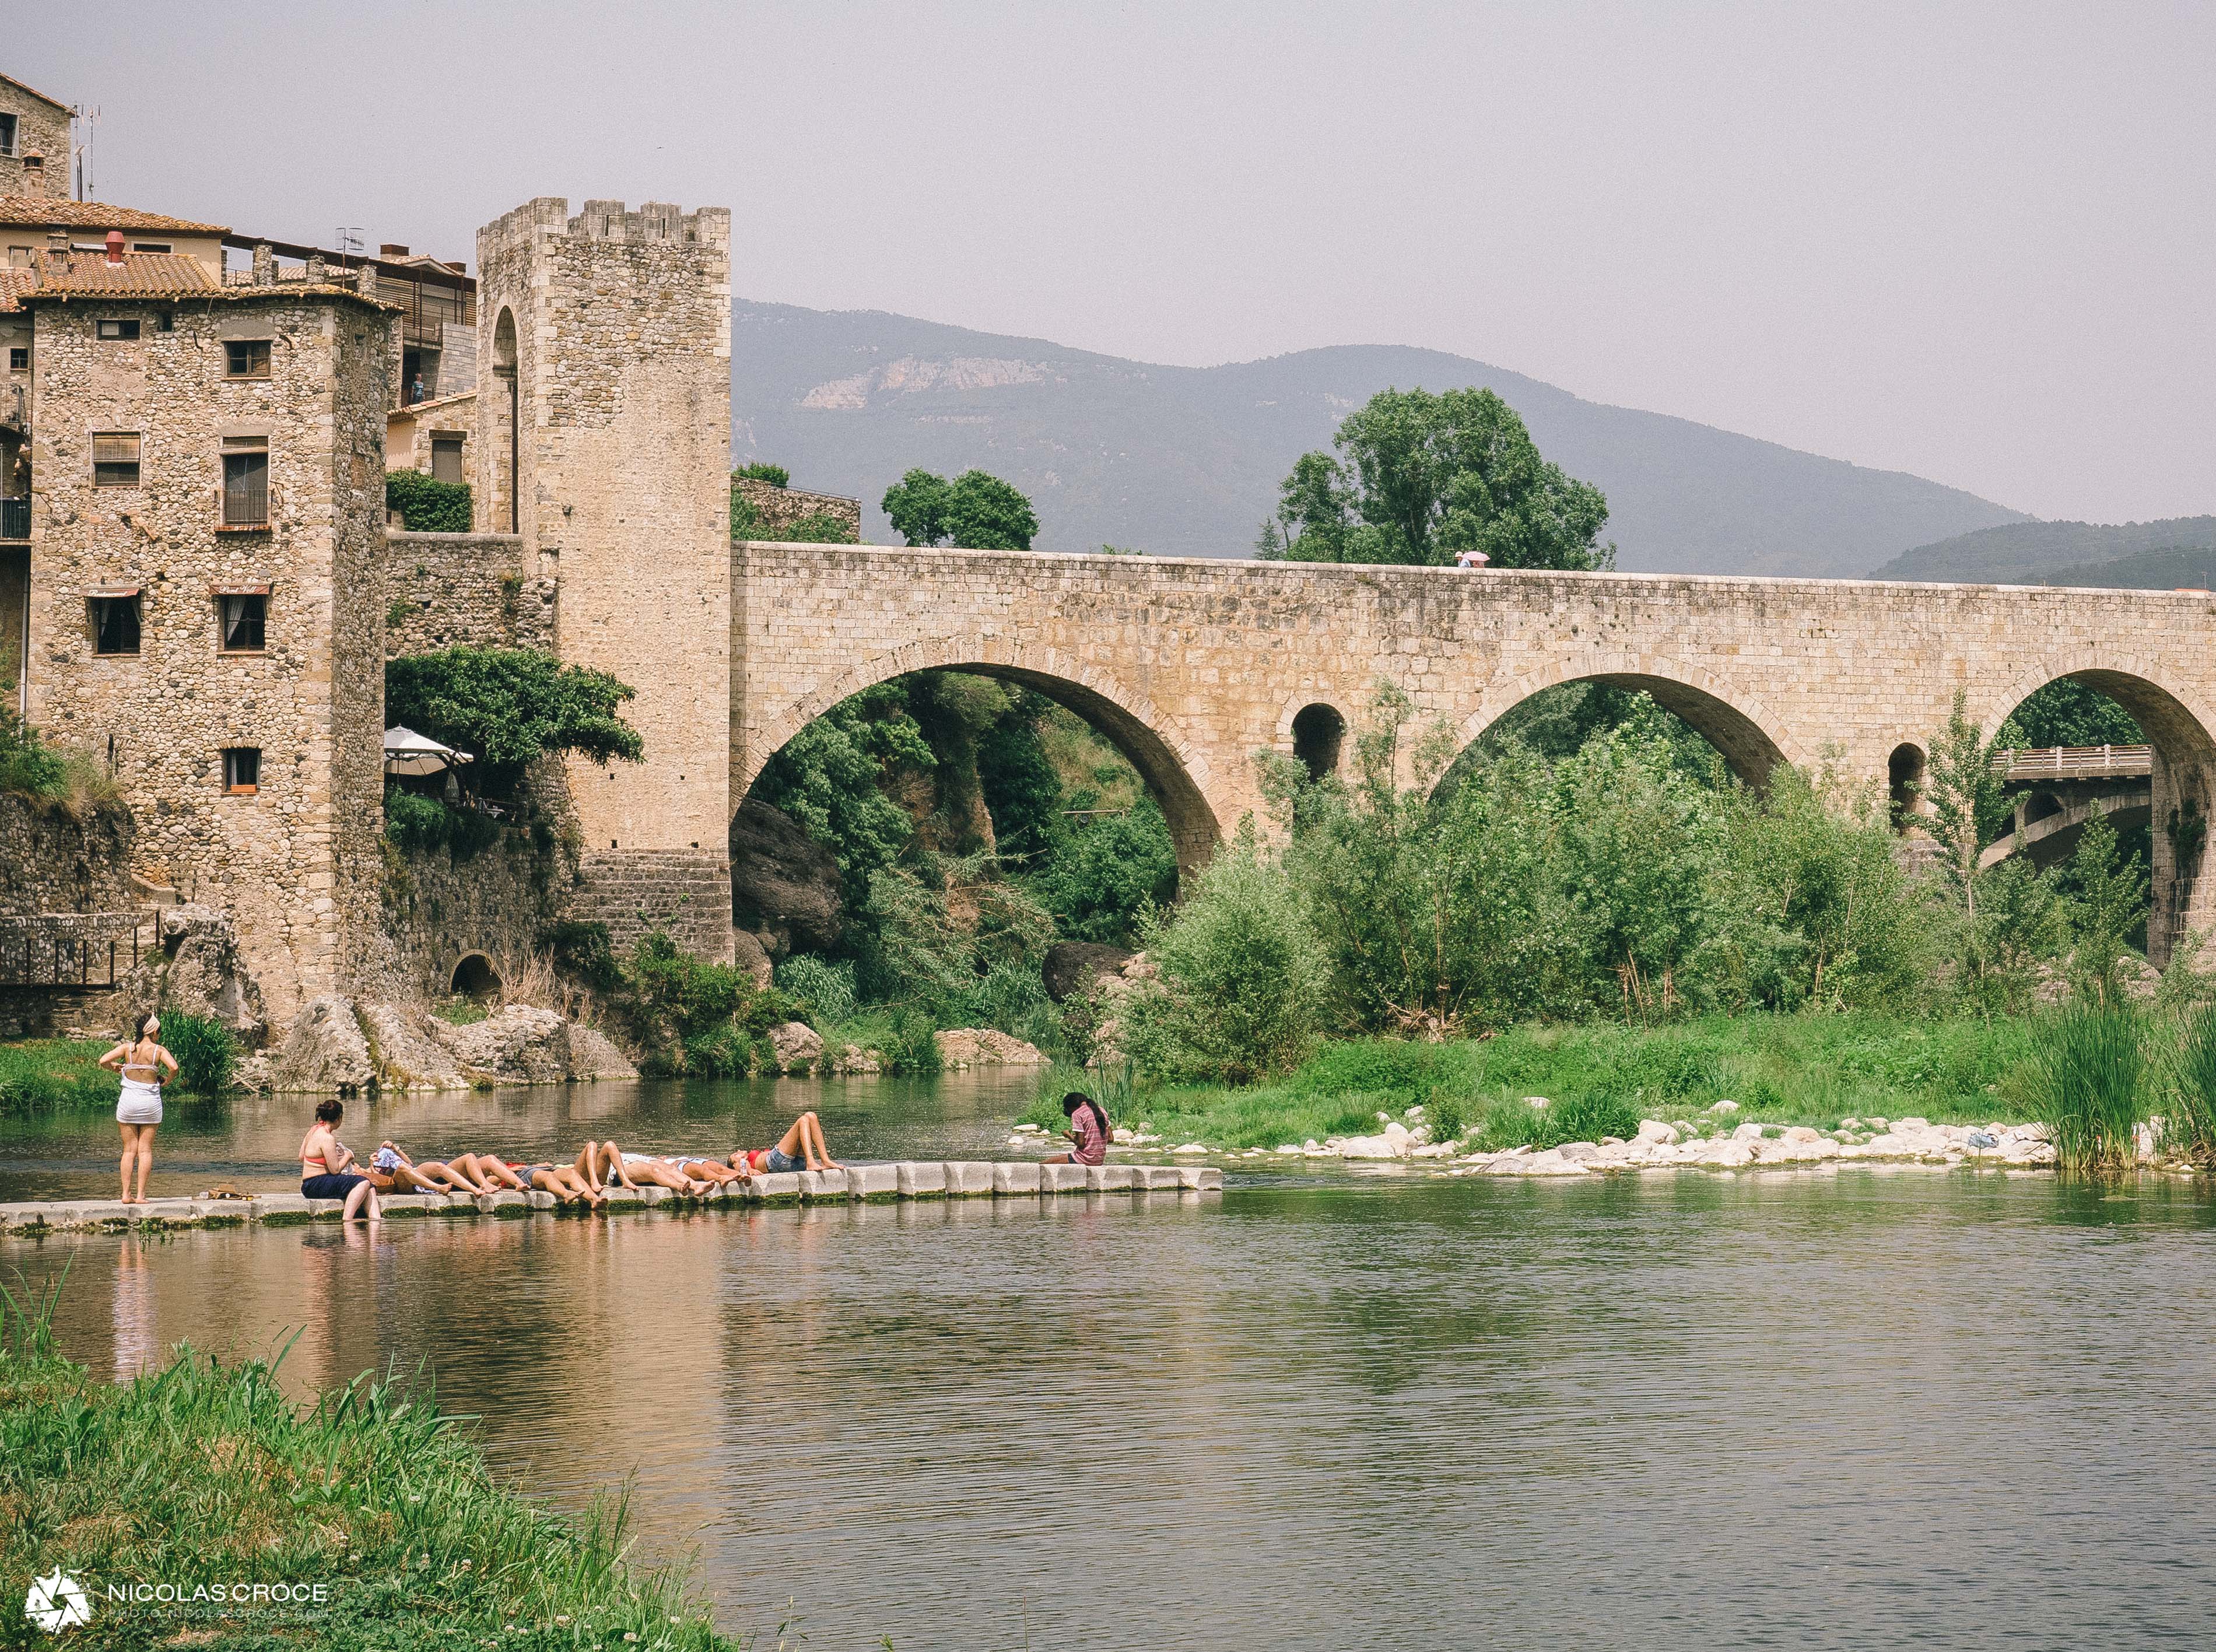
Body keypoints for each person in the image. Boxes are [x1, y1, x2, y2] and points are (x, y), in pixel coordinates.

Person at [98, 1013, 177, 1204]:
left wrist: (115, 1067)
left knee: (129, 1151)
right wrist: (166, 1081)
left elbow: (103, 1061)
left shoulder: (128, 1048)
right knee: (145, 1151)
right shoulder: (159, 1050)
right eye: (159, 1032)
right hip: (150, 1103)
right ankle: (141, 1196)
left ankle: (126, 1195)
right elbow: (174, 1067)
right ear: (155, 1031)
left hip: (128, 1103)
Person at [299, 1099, 380, 1222]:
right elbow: (335, 1170)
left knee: (370, 1186)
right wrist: (348, 1155)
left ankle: (376, 1222)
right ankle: (347, 1220)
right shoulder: (327, 1138)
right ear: (339, 1118)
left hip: (310, 1184)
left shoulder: (314, 1130)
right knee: (363, 1182)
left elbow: (301, 1156)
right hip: (316, 1184)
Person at [362, 1142, 494, 1196]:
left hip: (410, 1176)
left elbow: (409, 1164)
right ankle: (438, 1188)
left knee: (438, 1166)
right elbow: (379, 1183)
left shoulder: (378, 1160)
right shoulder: (365, 1173)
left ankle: (475, 1189)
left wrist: (396, 1150)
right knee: (402, 1168)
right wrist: (372, 1166)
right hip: (400, 1186)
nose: (356, 1167)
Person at [735, 1110, 841, 1174]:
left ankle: (825, 1160)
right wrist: (750, 1171)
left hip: (797, 1163)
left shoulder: (749, 1157)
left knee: (811, 1116)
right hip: (775, 1162)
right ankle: (810, 1161)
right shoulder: (745, 1161)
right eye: (736, 1154)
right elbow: (738, 1167)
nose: (738, 1150)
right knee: (803, 1120)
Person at [1044, 1091, 1111, 1166]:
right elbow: (1111, 1139)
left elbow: (1081, 1144)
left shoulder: (1077, 1114)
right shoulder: (1102, 1111)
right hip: (1099, 1160)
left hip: (1084, 1159)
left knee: (1045, 1164)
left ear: (1071, 1107)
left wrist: (1068, 1135)